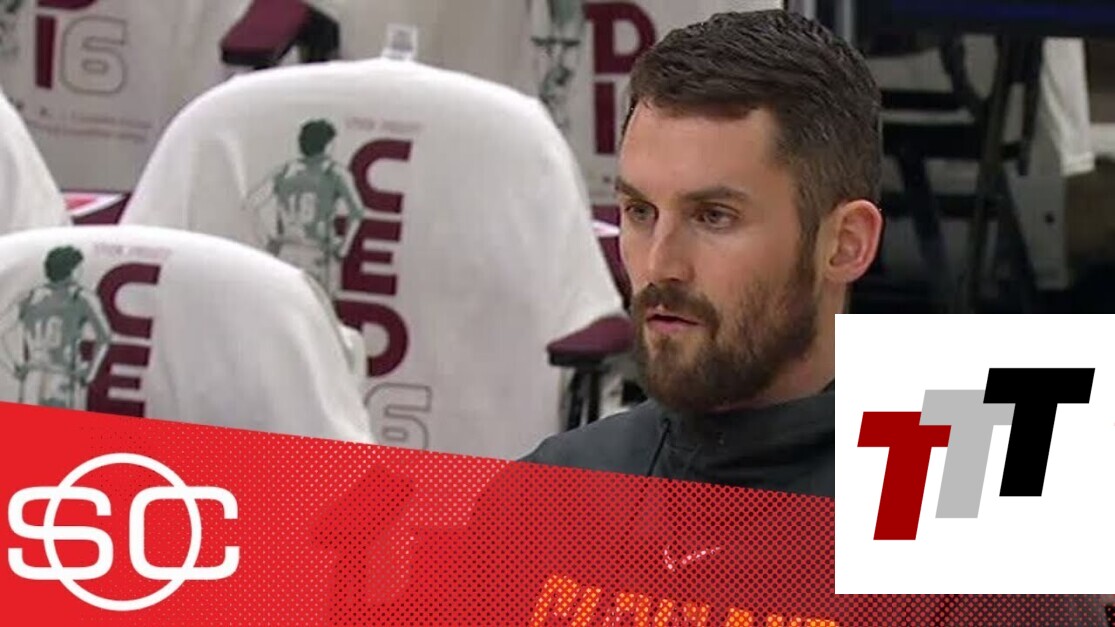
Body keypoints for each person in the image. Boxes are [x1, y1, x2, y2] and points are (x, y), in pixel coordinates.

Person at [520, 8, 882, 495]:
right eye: (640, 212)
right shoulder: (549, 494)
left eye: (714, 216)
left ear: (844, 244)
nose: (660, 265)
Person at [0, 245, 110, 410]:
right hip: (64, 375)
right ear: (72, 270)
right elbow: (104, 337)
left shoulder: (30, 297)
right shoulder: (81, 297)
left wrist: (14, 367)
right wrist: (90, 373)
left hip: (33, 375)